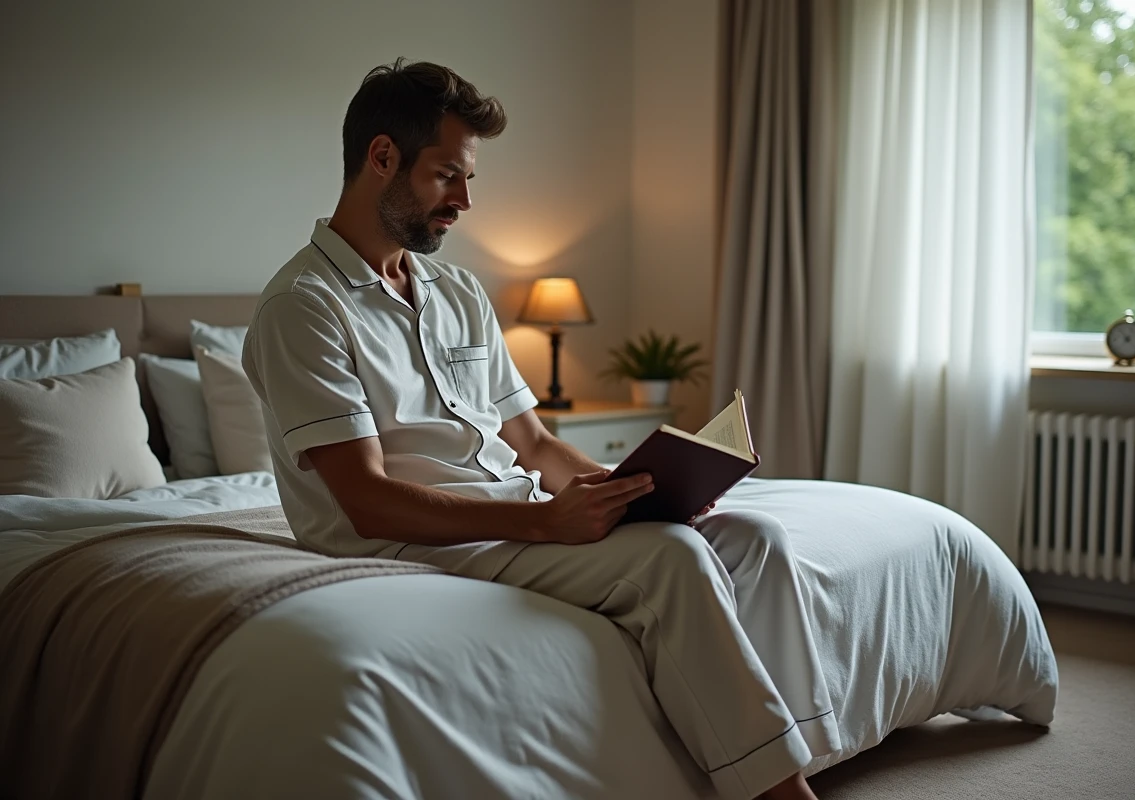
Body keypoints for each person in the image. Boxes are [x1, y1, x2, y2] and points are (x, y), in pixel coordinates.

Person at [242, 58, 839, 800]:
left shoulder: (457, 291)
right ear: (383, 156)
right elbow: (366, 501)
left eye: (468, 179)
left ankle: (790, 761)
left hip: (514, 517)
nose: (464, 201)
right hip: (414, 542)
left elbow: (532, 443)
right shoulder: (303, 307)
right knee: (672, 561)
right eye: (447, 176)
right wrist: (544, 524)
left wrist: (634, 489)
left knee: (754, 539)